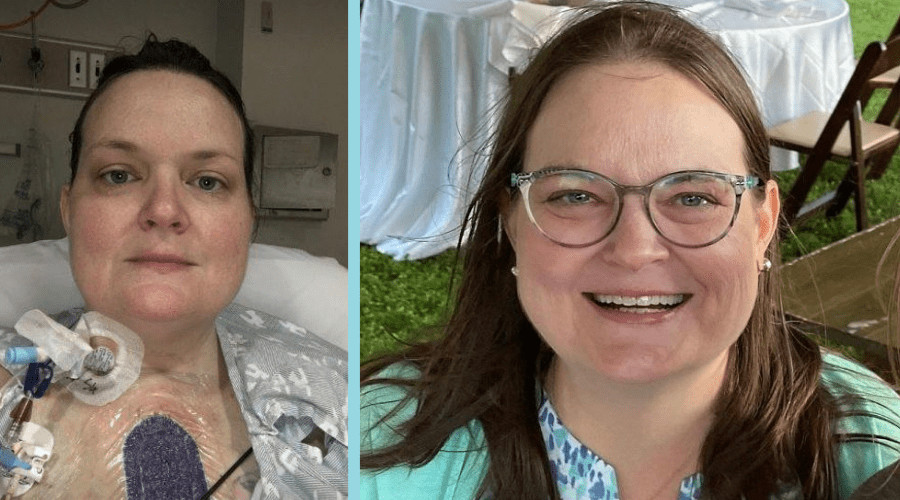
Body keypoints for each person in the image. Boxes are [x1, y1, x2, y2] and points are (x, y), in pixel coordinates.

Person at [360, 2, 900, 499]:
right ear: (513, 225)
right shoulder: (367, 446)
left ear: (762, 224)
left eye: (693, 196)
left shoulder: (869, 452)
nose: (636, 250)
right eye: (575, 194)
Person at [0, 37, 347, 498]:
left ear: (249, 221)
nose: (164, 210)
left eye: (207, 181)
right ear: (69, 210)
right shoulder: (10, 382)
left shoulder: (343, 394)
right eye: (119, 175)